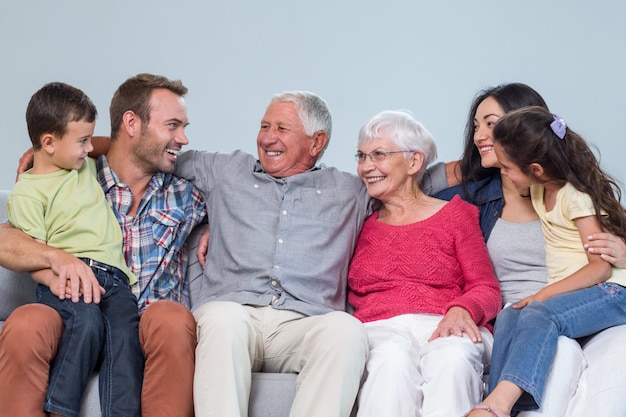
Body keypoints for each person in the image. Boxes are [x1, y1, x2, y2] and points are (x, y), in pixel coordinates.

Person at [0, 73, 206, 417]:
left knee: (170, 319)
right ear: (131, 123)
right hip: (73, 309)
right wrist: (56, 259)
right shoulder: (77, 174)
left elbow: (245, 203)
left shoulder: (188, 193)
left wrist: (216, 225)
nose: (183, 138)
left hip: (140, 322)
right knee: (26, 322)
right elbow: (9, 237)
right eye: (173, 125)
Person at [435, 82, 626, 417]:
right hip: (556, 302)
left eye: (492, 125)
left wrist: (544, 294)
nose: (483, 136)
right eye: (477, 126)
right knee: (513, 314)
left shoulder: (572, 194)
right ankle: (500, 403)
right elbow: (425, 185)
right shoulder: (528, 191)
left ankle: (497, 405)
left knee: (546, 323)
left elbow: (600, 265)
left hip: (600, 292)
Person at [347, 110, 501, 417]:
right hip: (380, 328)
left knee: (455, 358)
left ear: (414, 162)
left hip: (445, 320)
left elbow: (486, 287)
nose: (366, 167)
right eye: (361, 156)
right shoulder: (358, 219)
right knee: (391, 361)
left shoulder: (456, 214)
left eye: (378, 154)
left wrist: (463, 308)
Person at [5, 82, 142, 417]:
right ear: (49, 142)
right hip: (69, 276)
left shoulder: (84, 166)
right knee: (86, 322)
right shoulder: (27, 193)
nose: (88, 147)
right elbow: (32, 251)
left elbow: (118, 145)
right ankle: (60, 409)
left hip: (115, 280)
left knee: (125, 337)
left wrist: (83, 144)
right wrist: (53, 279)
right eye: (81, 140)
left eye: (88, 139)